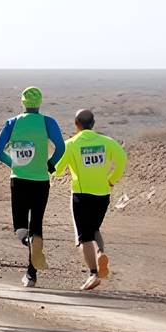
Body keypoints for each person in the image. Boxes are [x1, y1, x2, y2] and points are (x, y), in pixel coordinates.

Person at [0, 87, 65, 288]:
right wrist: (50, 164)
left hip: (19, 180)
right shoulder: (48, 122)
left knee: (20, 227)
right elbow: (61, 147)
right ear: (39, 102)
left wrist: (14, 164)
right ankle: (31, 274)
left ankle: (27, 242)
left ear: (22, 102)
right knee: (37, 223)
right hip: (41, 181)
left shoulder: (12, 123)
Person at [53, 109, 128, 292]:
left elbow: (58, 170)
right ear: (93, 123)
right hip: (103, 194)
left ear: (76, 124)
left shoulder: (70, 144)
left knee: (84, 237)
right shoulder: (107, 142)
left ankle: (94, 273)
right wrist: (111, 180)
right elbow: (122, 161)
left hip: (81, 195)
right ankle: (100, 253)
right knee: (94, 229)